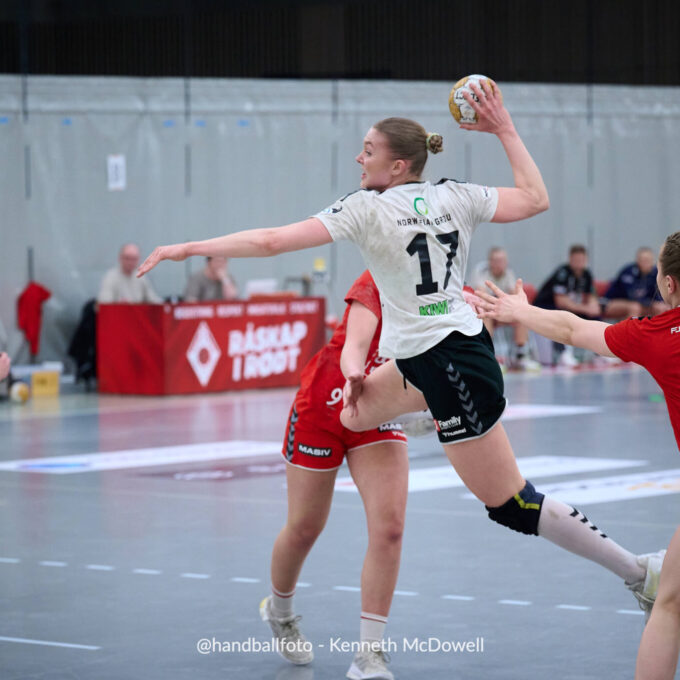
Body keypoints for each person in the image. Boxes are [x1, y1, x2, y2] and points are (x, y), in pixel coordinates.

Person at [137, 80, 661, 675]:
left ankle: (638, 572)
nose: (358, 158)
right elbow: (536, 198)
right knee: (353, 412)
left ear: (398, 165)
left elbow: (271, 240)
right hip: (423, 361)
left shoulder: (366, 209)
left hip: (453, 366)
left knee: (511, 504)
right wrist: (504, 129)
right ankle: (412, 425)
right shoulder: (455, 195)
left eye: (368, 150)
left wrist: (188, 247)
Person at [474, 231, 680, 680]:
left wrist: (519, 311)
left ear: (669, 285)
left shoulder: (658, 336)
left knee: (670, 606)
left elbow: (573, 330)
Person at [259, 270, 408, 679]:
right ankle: (280, 612)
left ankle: (369, 654)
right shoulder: (377, 279)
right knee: (305, 528)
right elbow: (355, 346)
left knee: (390, 529)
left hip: (377, 413)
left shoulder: (449, 291)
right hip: (325, 408)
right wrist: (355, 372)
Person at [468, 246, 540, 370]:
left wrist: (511, 309)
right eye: (496, 261)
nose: (500, 264)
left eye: (502, 261)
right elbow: (482, 297)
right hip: (482, 311)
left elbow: (514, 296)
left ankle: (520, 355)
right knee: (486, 315)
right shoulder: (481, 272)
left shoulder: (508, 273)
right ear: (490, 262)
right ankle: (489, 356)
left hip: (499, 310)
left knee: (521, 314)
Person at [533, 244, 601, 366]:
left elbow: (592, 296)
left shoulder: (586, 274)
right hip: (547, 306)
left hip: (570, 307)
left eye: (581, 260)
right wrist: (586, 308)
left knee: (595, 317)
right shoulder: (562, 273)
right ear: (570, 259)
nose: (579, 263)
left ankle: (600, 352)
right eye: (576, 260)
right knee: (562, 317)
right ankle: (562, 354)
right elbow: (561, 301)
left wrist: (593, 305)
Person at [603, 247, 669, 320]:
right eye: (642, 260)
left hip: (644, 303)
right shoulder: (628, 272)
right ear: (637, 260)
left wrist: (658, 303)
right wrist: (649, 303)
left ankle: (656, 327)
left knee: (662, 307)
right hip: (615, 301)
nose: (644, 263)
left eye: (647, 260)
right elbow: (632, 296)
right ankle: (628, 327)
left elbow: (660, 295)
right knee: (635, 307)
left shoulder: (656, 274)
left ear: (653, 261)